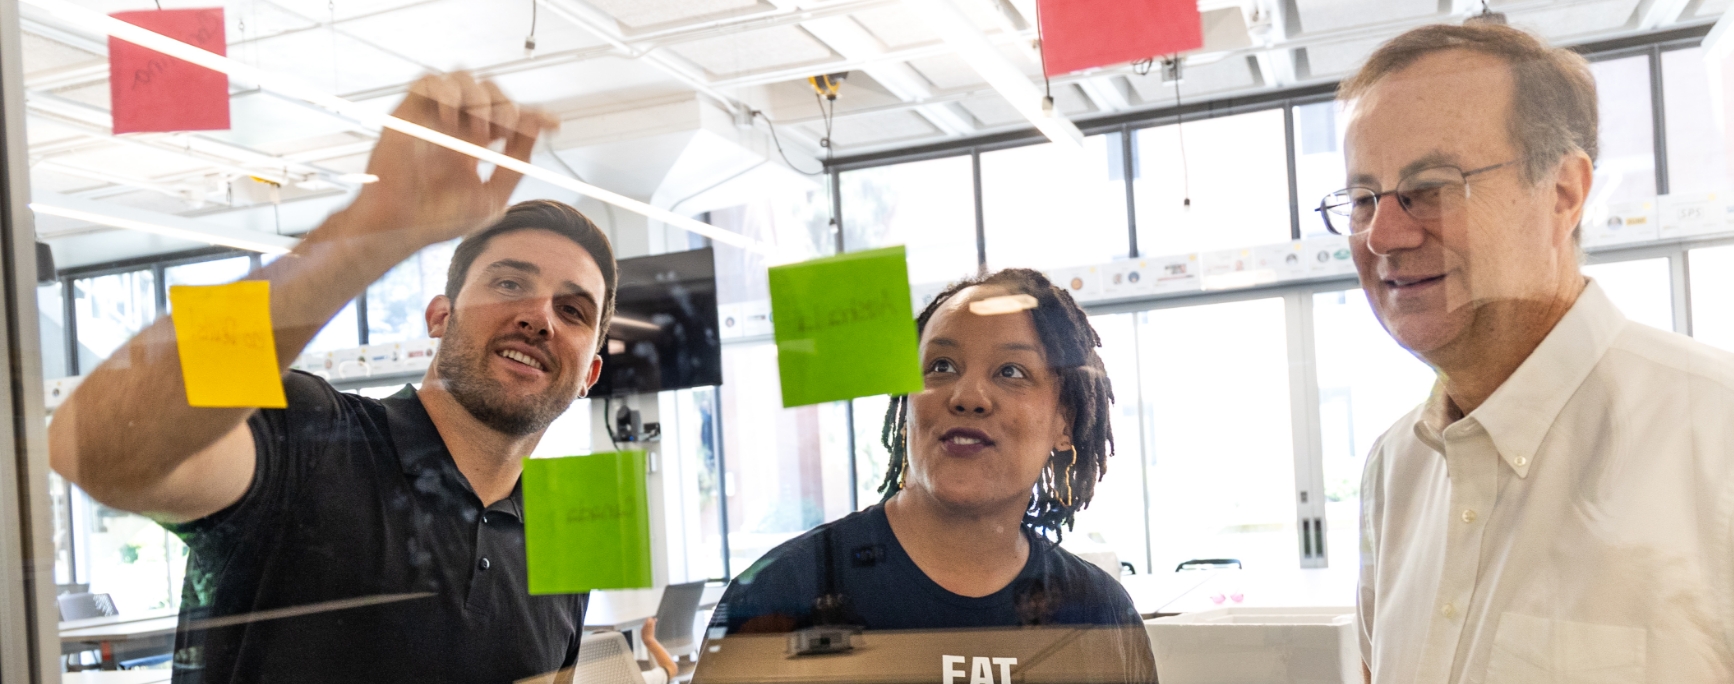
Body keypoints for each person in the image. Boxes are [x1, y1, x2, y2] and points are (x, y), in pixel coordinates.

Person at [1327, 23, 1734, 683]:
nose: (1383, 233)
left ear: (1563, 194)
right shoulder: (1395, 472)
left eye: (1431, 186)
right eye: (1362, 199)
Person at [49, 73, 620, 683]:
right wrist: (370, 228)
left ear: (589, 372)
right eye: (509, 283)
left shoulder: (563, 533)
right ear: (440, 316)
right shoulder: (310, 434)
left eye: (573, 310)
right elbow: (98, 444)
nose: (538, 316)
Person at [706, 269, 1156, 682]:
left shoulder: (1098, 617)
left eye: (1011, 372)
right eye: (941, 367)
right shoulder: (783, 594)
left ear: (1065, 421)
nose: (968, 396)